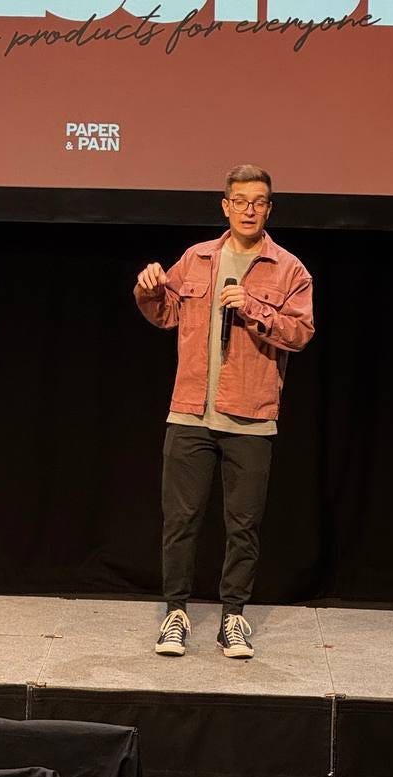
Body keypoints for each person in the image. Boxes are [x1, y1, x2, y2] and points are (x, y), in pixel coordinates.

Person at [134, 164, 314, 659]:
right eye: (240, 201)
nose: (249, 210)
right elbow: (166, 313)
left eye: (258, 202)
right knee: (180, 522)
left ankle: (233, 617)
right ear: (225, 206)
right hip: (190, 413)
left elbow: (301, 334)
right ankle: (175, 614)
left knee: (243, 526)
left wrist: (253, 307)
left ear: (269, 209)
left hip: (250, 417)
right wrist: (148, 289)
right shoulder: (196, 258)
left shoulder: (290, 269)